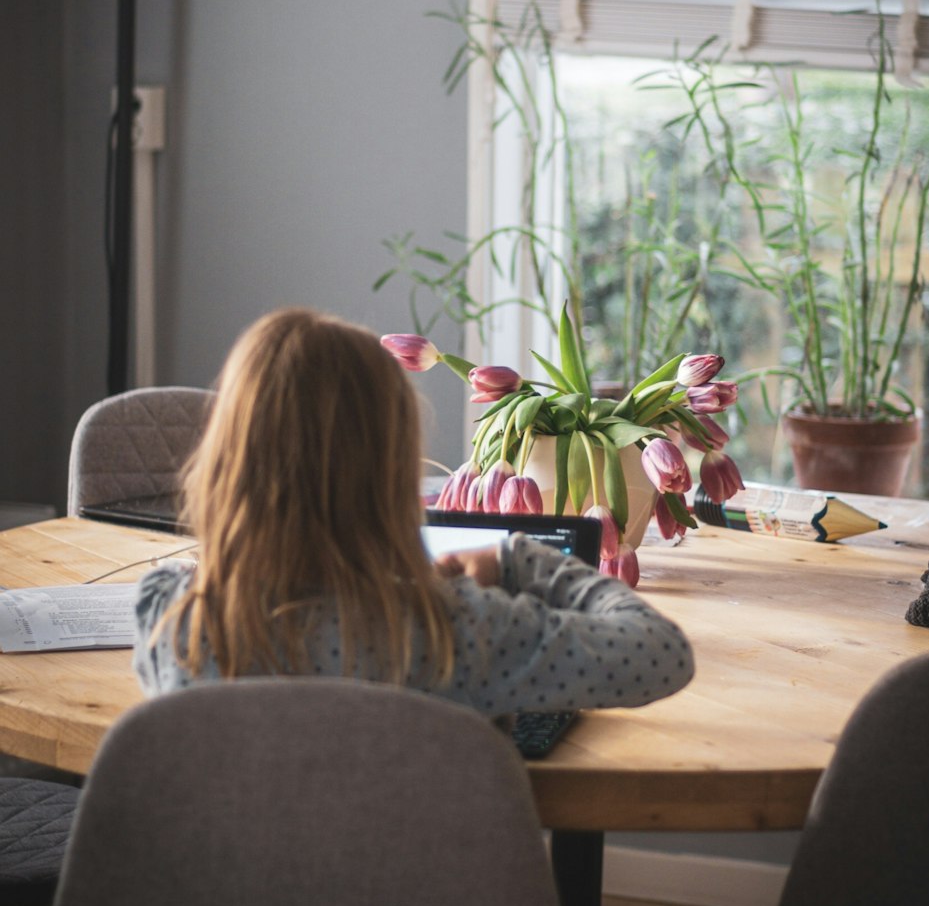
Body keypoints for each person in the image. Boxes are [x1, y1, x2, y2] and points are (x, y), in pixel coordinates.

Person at [133, 307, 695, 717]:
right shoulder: (453, 631)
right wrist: (514, 559)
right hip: (414, 882)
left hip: (222, 882)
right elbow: (661, 655)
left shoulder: (169, 619)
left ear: (226, 463)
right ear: (391, 470)